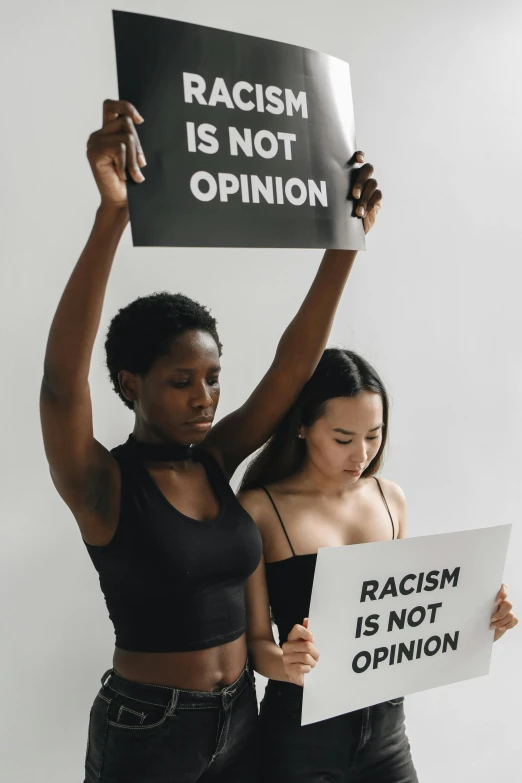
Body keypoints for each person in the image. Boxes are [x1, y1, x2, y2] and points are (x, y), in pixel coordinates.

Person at [39, 98, 383, 783]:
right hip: (149, 727)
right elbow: (58, 385)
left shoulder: (214, 460)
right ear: (130, 382)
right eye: (181, 380)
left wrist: (347, 242)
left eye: (214, 377)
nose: (204, 397)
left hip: (244, 720)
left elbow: (292, 370)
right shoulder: (100, 483)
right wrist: (112, 217)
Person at [239, 348, 518, 783]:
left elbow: (404, 624)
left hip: (387, 734)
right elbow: (256, 643)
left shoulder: (391, 499)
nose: (363, 454)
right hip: (299, 735)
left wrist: (480, 625)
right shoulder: (260, 508)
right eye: (343, 438)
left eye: (375, 435)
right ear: (301, 427)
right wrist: (287, 665)